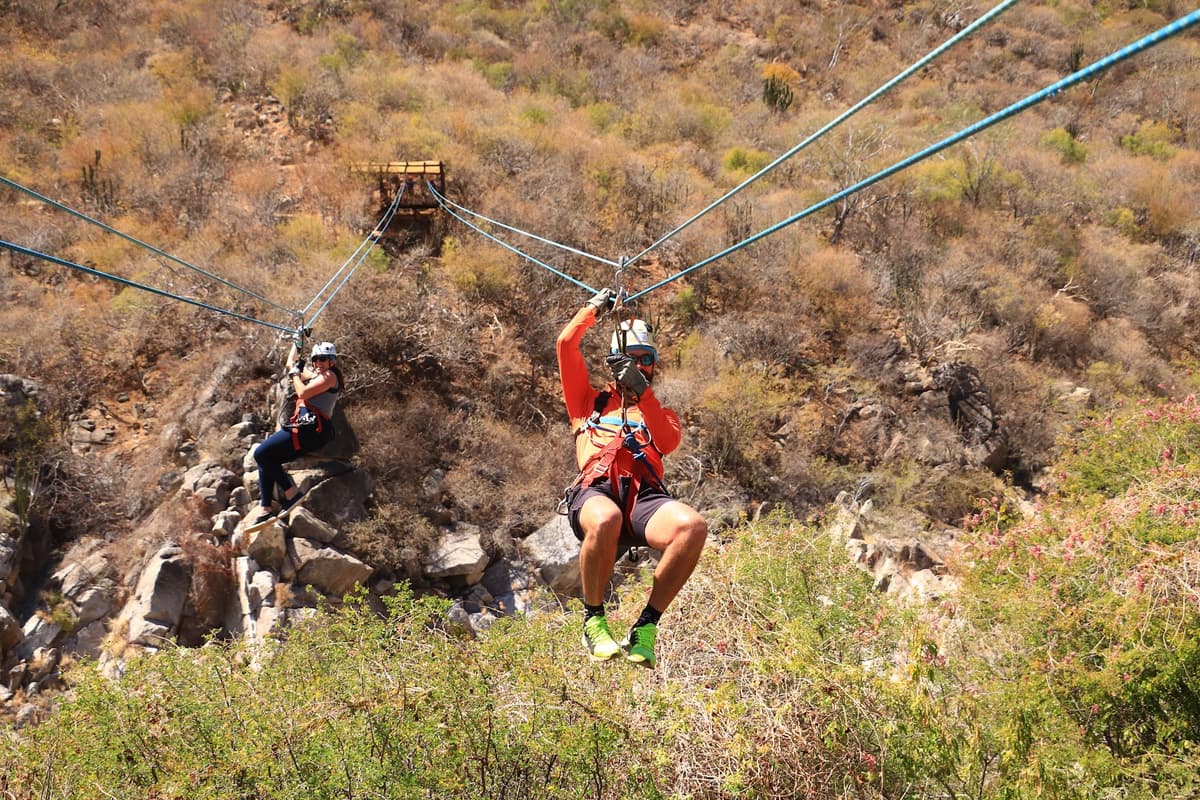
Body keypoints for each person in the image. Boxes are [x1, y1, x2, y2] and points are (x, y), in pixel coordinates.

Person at [556, 288, 707, 668]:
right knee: (606, 518)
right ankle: (594, 619)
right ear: (615, 362)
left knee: (692, 527)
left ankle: (646, 626)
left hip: (644, 497)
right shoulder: (587, 403)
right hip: (598, 491)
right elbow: (565, 345)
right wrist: (593, 309)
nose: (639, 367)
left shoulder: (662, 413)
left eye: (646, 360)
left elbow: (668, 442)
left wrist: (644, 396)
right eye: (631, 360)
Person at [249, 340, 343, 527]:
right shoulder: (317, 375)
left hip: (311, 430)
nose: (319, 363)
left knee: (260, 453)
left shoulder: (330, 377)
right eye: (316, 360)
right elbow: (291, 364)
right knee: (267, 459)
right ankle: (265, 509)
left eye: (324, 360)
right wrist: (297, 342)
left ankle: (292, 493)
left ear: (332, 361)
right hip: (306, 431)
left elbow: (303, 393)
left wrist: (295, 376)